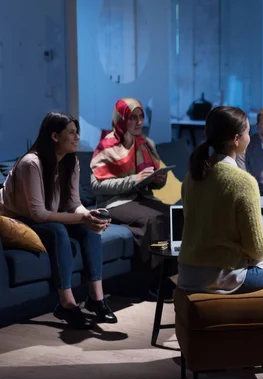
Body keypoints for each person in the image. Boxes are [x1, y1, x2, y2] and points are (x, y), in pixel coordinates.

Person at [177, 106, 263, 369]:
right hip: (221, 276)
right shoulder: (242, 181)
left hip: (188, 273)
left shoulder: (193, 175)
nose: (252, 138)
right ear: (237, 139)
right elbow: (257, 249)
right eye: (249, 132)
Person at [0, 112, 116, 329]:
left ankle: (96, 299)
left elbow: (74, 202)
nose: (77, 137)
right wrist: (82, 217)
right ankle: (67, 303)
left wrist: (89, 216)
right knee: (58, 231)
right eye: (71, 133)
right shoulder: (31, 163)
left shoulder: (71, 161)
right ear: (54, 136)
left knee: (89, 228)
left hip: (41, 217)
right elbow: (39, 214)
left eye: (77, 132)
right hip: (17, 219)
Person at [90, 98, 170, 297]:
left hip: (139, 197)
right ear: (121, 119)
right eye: (132, 117)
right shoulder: (107, 146)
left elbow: (156, 183)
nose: (139, 122)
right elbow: (96, 185)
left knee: (173, 214)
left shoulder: (145, 144)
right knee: (151, 219)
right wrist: (133, 180)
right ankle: (147, 283)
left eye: (141, 117)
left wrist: (158, 178)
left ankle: (167, 276)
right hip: (114, 202)